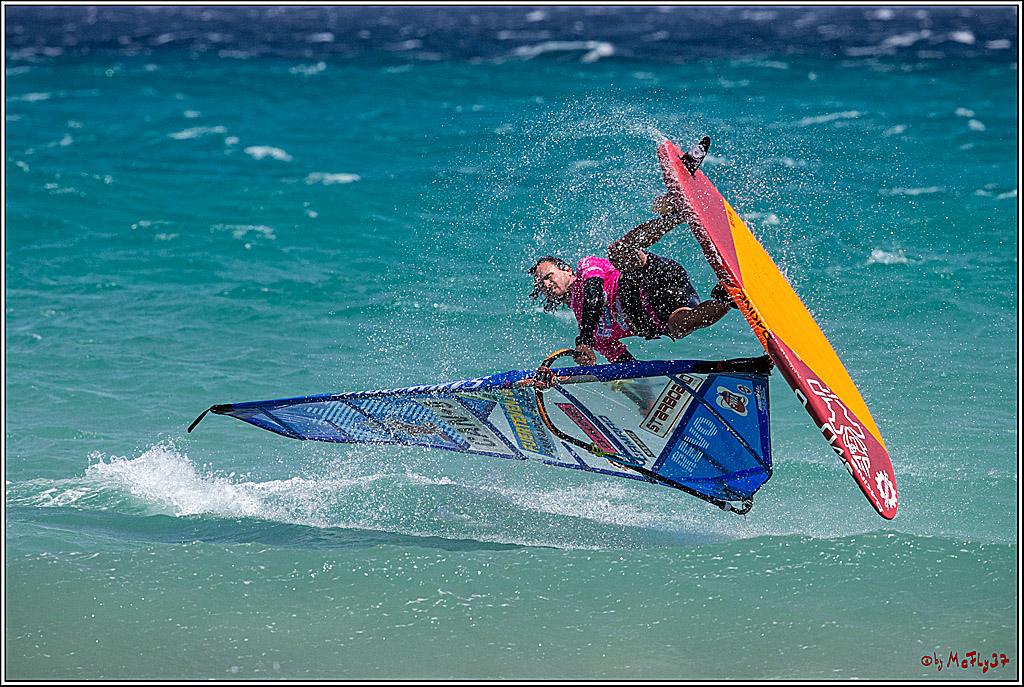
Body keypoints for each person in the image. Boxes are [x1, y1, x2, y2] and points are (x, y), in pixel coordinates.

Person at [528, 195, 737, 366]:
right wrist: (644, 403)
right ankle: (728, 297)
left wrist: (584, 340)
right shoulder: (594, 336)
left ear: (567, 270)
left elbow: (593, 294)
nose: (546, 285)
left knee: (618, 253)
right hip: (663, 314)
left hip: (651, 278)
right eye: (541, 284)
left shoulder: (586, 268)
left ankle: (677, 215)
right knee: (678, 328)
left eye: (548, 276)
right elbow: (627, 368)